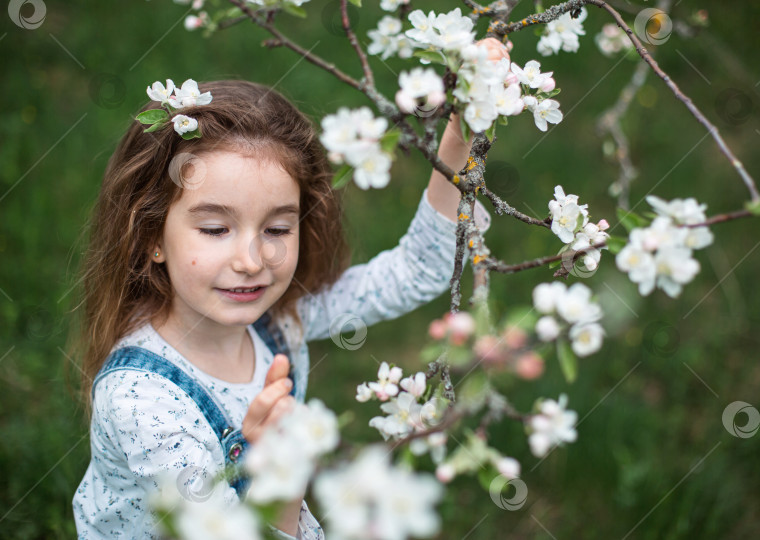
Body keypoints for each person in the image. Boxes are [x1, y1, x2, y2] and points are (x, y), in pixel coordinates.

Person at [72, 40, 506, 539]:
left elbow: (417, 270)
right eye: (215, 230)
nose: (252, 262)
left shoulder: (278, 318)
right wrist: (278, 476)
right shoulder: (141, 402)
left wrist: (462, 129)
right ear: (152, 238)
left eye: (277, 229)